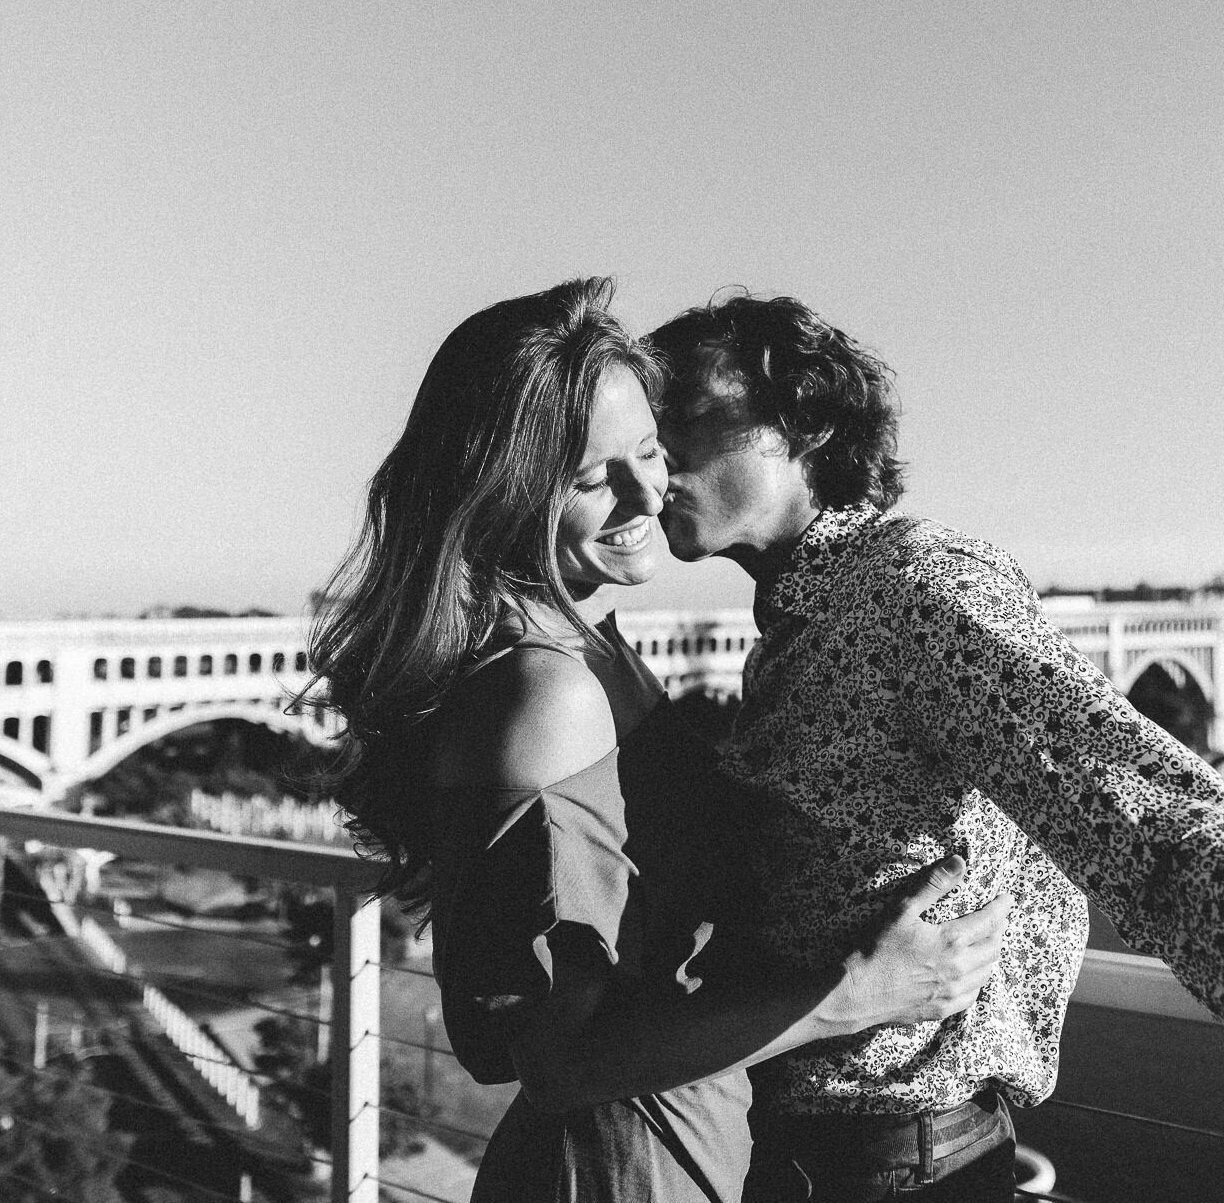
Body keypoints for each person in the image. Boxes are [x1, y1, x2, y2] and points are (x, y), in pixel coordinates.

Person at [643, 293, 1224, 1203]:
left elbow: (1162, 834)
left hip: (897, 1168)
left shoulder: (910, 591)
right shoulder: (796, 629)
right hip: (802, 1152)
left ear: (806, 425)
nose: (658, 452)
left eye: (690, 414)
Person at [306, 278, 1011, 1203]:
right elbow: (552, 1058)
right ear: (506, 492)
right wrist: (853, 994)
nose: (651, 493)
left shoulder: (583, 649)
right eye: (599, 478)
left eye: (652, 449)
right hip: (619, 1173)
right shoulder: (545, 694)